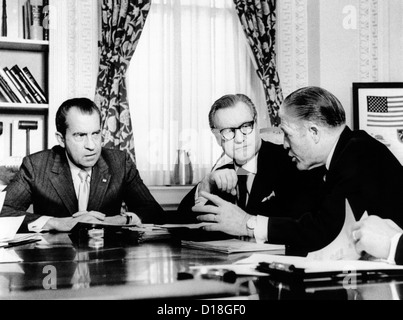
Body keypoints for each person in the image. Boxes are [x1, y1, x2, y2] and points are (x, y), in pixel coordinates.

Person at [193, 87, 403, 254]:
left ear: (313, 132)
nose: (283, 143)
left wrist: (247, 224)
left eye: (287, 134)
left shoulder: (358, 152)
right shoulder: (341, 155)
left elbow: (324, 228)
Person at [0, 98, 165, 232]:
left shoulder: (119, 162)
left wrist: (118, 220)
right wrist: (56, 223)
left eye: (95, 134)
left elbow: (153, 211)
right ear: (61, 139)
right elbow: (3, 211)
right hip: (55, 262)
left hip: (106, 260)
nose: (91, 145)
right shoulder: (37, 165)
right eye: (80, 135)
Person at [178, 94, 325, 224]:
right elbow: (181, 222)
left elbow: (304, 223)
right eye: (228, 131)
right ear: (217, 138)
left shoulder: (292, 162)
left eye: (246, 126)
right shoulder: (219, 176)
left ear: (256, 124)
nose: (240, 139)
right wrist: (205, 185)